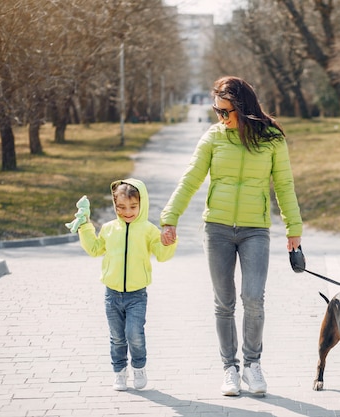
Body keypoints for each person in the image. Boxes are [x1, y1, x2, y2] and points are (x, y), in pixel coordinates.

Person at [160, 76, 303, 396]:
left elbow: (284, 185)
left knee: (253, 298)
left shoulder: (271, 140)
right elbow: (190, 179)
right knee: (223, 303)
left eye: (226, 112)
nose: (221, 118)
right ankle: (230, 369)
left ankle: (252, 365)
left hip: (255, 229)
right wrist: (170, 218)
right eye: (217, 111)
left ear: (242, 108)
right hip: (218, 229)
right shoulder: (213, 138)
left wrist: (294, 229)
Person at [66, 178, 177, 391]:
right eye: (121, 207)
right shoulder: (109, 229)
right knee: (117, 337)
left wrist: (169, 241)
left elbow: (162, 255)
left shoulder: (148, 229)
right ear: (115, 205)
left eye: (133, 207)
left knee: (134, 333)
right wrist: (85, 226)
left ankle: (139, 367)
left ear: (141, 204)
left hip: (137, 294)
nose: (127, 211)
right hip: (112, 294)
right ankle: (119, 372)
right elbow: (95, 249)